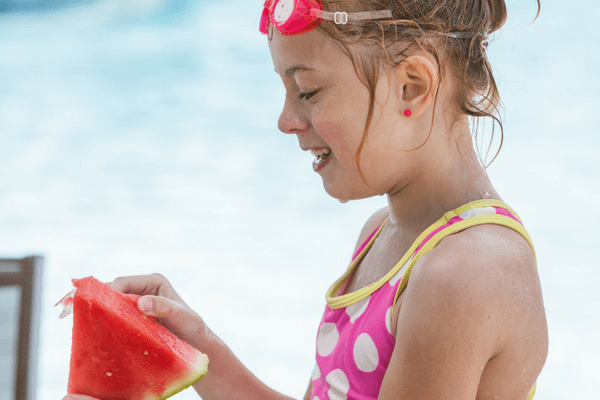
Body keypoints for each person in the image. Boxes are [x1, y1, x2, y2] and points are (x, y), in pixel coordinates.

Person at [62, 0, 548, 399]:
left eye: (308, 90)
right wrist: (199, 347)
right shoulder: (383, 233)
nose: (286, 119)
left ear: (412, 86)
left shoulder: (466, 273)